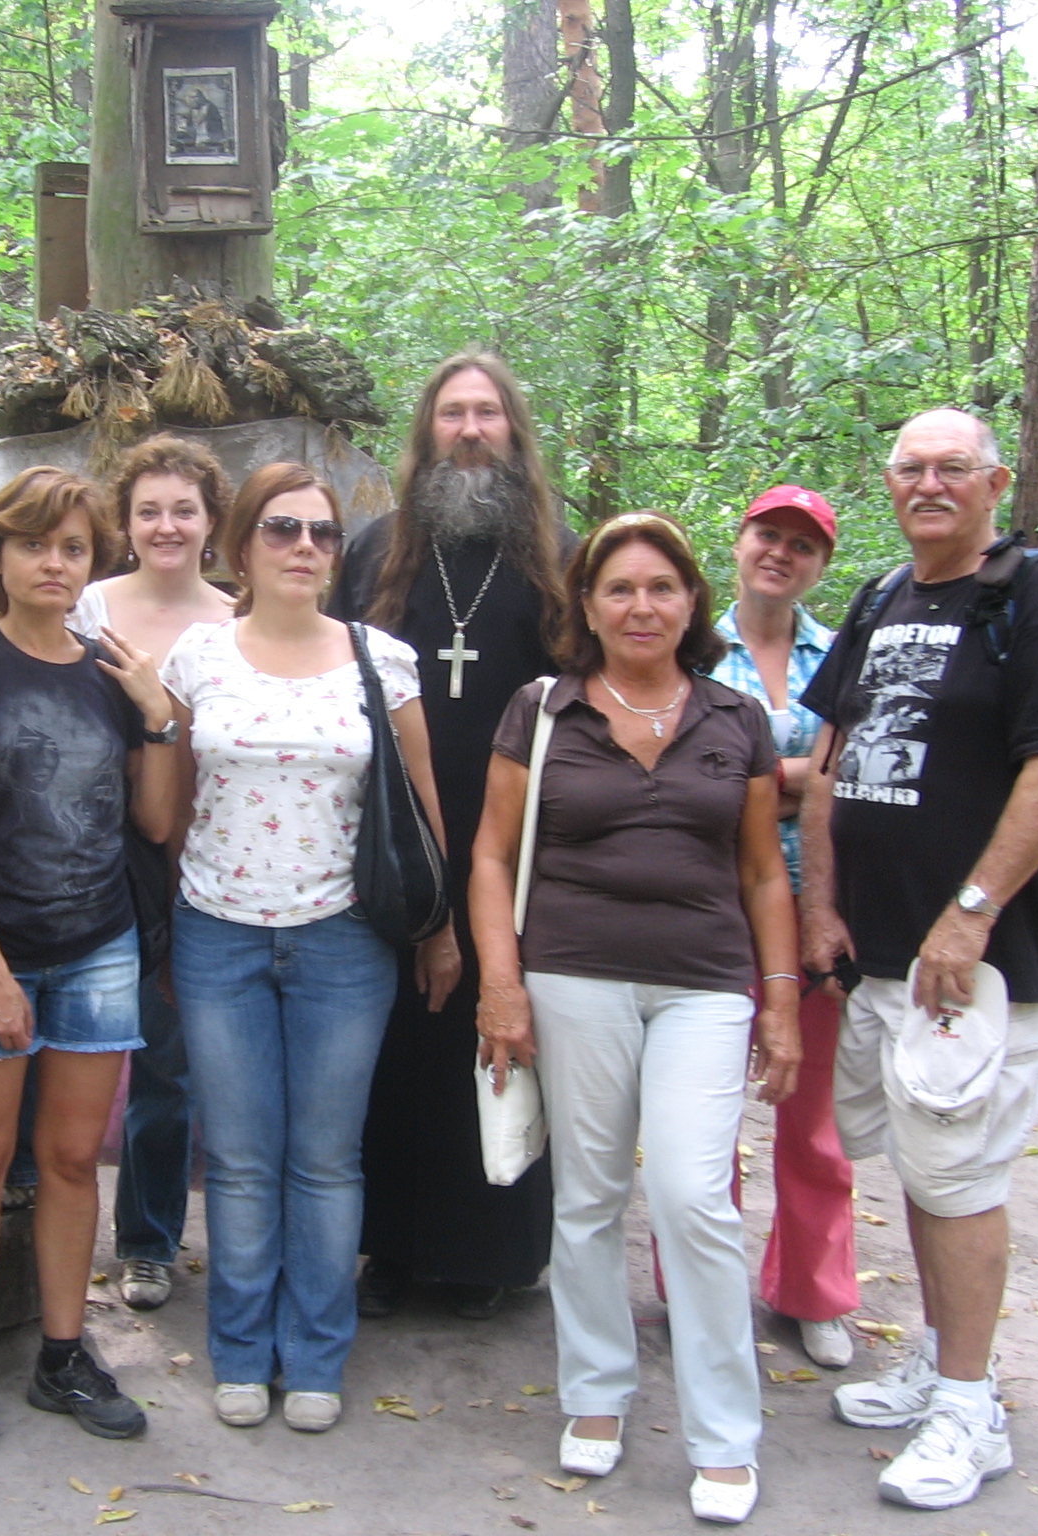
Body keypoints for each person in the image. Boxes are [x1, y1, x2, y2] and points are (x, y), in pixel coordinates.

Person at [799, 410, 1038, 1511]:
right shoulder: (883, 599)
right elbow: (829, 764)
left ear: (993, 483)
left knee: (962, 1175)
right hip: (883, 954)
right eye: (909, 469)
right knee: (924, 1167)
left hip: (980, 965)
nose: (927, 485)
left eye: (950, 471)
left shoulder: (1033, 599)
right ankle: (937, 1362)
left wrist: (968, 911)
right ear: (887, 484)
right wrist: (821, 906)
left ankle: (969, 1411)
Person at [472, 511, 802, 1526]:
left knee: (695, 1198)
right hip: (572, 978)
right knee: (586, 1196)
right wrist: (500, 983)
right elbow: (489, 855)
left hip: (703, 984)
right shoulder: (541, 709)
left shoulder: (732, 719)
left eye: (660, 587)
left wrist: (779, 1001)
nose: (640, 605)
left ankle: (721, 1434)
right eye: (618, 588)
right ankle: (596, 1395)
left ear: (691, 601)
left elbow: (758, 870)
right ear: (586, 605)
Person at [164, 462, 448, 1434]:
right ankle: (241, 1351)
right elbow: (166, 806)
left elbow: (419, 806)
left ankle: (315, 1357)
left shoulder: (381, 659)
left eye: (322, 533)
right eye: (280, 529)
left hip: (340, 939)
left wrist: (439, 926)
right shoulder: (198, 659)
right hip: (217, 933)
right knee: (240, 1160)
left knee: (324, 1160)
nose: (302, 548)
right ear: (240, 544)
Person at [0, 467, 182, 1463]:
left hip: (97, 948)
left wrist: (157, 714)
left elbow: (152, 822)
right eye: (35, 544)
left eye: (72, 547)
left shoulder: (106, 673)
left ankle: (63, 1353)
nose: (54, 563)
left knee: (72, 1162)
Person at [330, 352, 569, 1319]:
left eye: (489, 415)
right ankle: (393, 1249)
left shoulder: (558, 557)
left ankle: (493, 1256)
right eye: (452, 415)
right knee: (398, 1045)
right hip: (393, 842)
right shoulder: (374, 550)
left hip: (520, 851)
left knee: (501, 1038)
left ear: (515, 432)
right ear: (426, 433)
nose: (470, 430)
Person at [71, 434, 236, 1313]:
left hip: (205, 855)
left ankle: (153, 1239)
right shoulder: (88, 607)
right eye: (148, 511)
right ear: (124, 523)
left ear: (211, 521)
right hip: (99, 857)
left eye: (183, 509)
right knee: (98, 1049)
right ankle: (89, 1229)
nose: (166, 526)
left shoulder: (238, 619)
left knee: (171, 1063)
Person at [707, 485, 858, 1369]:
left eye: (803, 545)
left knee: (811, 1121)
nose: (781, 553)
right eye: (769, 534)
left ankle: (814, 1293)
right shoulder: (694, 649)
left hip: (816, 911)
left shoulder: (840, 659)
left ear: (820, 565)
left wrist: (758, 772)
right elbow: (687, 765)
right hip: (711, 910)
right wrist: (795, 774)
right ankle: (706, 1286)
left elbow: (851, 777)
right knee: (707, 1115)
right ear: (742, 539)